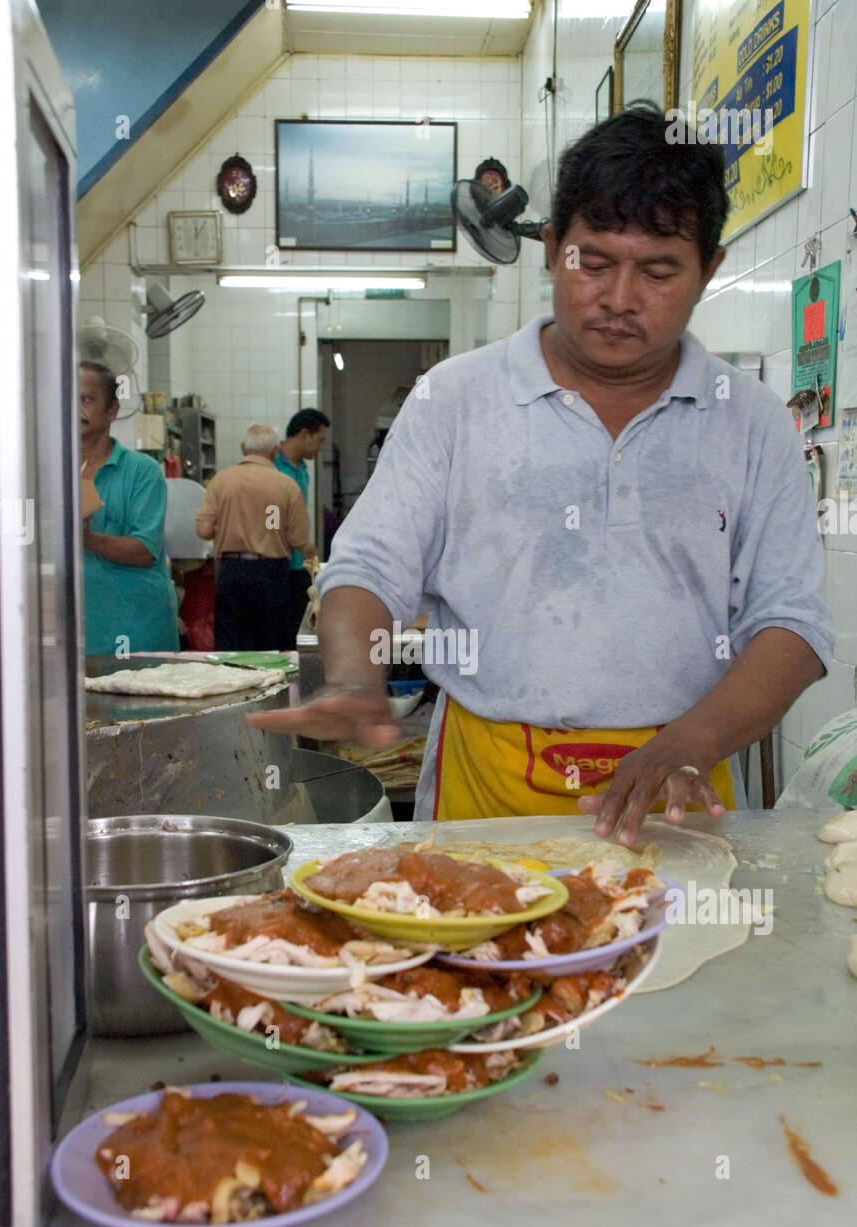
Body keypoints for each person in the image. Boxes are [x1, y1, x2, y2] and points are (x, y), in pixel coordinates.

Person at [247, 108, 834, 846]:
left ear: (708, 269)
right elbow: (368, 566)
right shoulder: (455, 399)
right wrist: (355, 677)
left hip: (679, 787)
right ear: (552, 247)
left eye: (658, 270)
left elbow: (792, 622)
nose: (619, 298)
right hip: (488, 790)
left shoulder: (749, 421)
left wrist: (692, 741)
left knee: (683, 959)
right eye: (593, 261)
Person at [80, 361, 180, 655]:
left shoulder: (141, 471)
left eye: (85, 399)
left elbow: (144, 550)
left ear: (112, 410)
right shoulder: (49, 472)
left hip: (135, 628)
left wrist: (83, 538)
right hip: (75, 627)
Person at [196, 423, 311, 651]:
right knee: (269, 644)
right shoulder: (286, 485)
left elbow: (204, 530)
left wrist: (231, 525)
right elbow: (298, 538)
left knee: (231, 644)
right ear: (275, 451)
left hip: (231, 572)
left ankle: (231, 684)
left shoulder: (221, 480)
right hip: (272, 573)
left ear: (242, 448)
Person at [274, 408, 329, 635]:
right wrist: (298, 542)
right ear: (305, 434)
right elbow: (273, 519)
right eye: (319, 440)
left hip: (300, 563)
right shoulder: (273, 466)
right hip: (278, 562)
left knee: (297, 628)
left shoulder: (303, 469)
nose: (321, 447)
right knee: (280, 630)